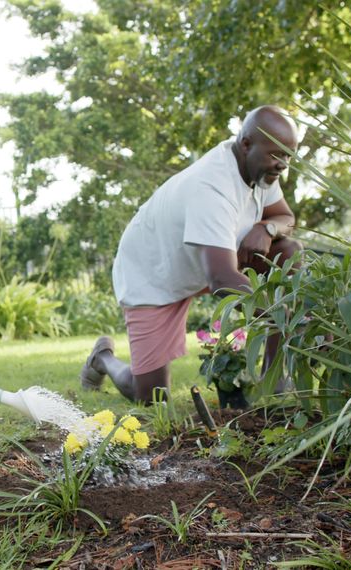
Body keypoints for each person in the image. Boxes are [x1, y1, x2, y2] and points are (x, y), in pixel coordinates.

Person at [81, 105, 301, 405]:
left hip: (210, 259)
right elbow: (222, 280)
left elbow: (286, 218)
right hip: (154, 273)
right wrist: (286, 317)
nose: (282, 164)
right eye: (276, 154)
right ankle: (103, 358)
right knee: (151, 397)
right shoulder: (212, 187)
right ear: (246, 143)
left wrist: (266, 228)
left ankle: (275, 379)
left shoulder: (260, 171)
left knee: (288, 251)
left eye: (288, 156)